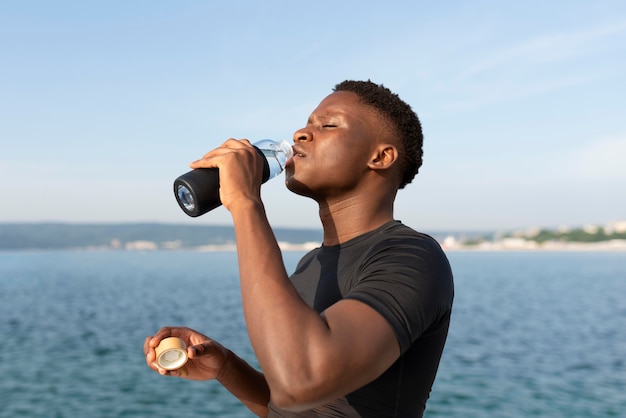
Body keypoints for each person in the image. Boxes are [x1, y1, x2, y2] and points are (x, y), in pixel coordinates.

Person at [144, 80, 454, 417]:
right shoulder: (312, 264)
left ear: (380, 156)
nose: (301, 134)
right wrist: (226, 367)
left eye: (328, 125)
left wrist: (246, 202)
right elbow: (290, 404)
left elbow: (301, 382)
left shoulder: (413, 257)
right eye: (306, 124)